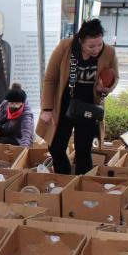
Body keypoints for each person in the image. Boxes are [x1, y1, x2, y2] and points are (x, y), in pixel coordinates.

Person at [37, 19, 118, 175]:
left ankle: (82, 185)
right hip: (64, 105)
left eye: (99, 44)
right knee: (55, 146)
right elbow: (50, 79)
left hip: (89, 107)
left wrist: (106, 88)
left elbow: (115, 77)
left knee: (83, 149)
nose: (96, 49)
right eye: (91, 46)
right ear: (80, 41)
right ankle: (64, 178)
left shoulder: (109, 52)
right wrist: (47, 109)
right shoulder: (65, 47)